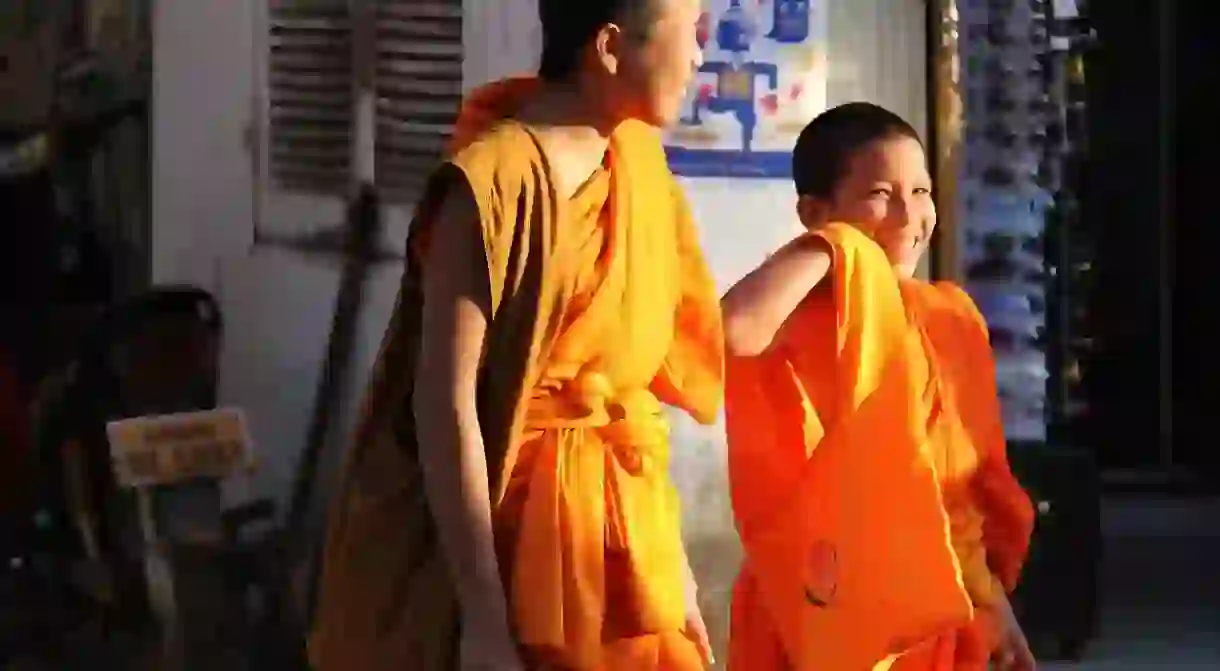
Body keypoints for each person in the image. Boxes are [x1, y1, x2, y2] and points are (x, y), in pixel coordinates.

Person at [309, 1, 724, 669]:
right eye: (691, 36)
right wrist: (482, 617)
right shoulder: (491, 184)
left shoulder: (639, 166)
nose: (702, 57)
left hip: (621, 548)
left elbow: (635, 399)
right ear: (612, 47)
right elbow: (446, 408)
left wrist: (675, 571)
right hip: (509, 544)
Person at [721, 102, 1036, 671]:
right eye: (879, 195)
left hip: (936, 602)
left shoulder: (952, 316)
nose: (907, 216)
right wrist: (834, 246)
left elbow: (959, 488)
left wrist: (996, 606)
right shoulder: (812, 314)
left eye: (921, 192)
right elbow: (734, 329)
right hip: (820, 602)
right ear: (816, 212)